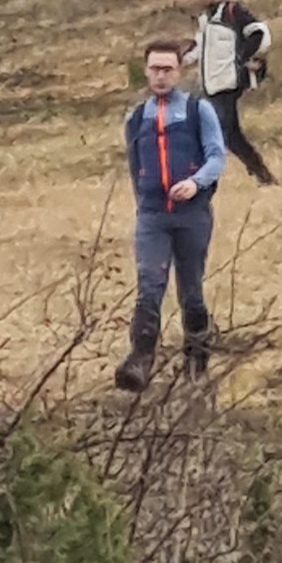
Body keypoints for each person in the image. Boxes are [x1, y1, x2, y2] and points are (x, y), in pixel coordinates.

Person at [115, 38, 226, 391]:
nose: (161, 76)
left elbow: (217, 156)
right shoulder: (136, 118)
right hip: (152, 217)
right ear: (146, 71)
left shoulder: (198, 110)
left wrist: (195, 183)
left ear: (179, 72)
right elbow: (134, 167)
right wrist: (144, 203)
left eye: (167, 69)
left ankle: (197, 363)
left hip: (192, 216)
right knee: (150, 285)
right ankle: (139, 361)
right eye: (155, 69)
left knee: (191, 292)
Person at [186, 0, 276, 185]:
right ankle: (261, 174)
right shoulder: (206, 19)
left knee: (224, 132)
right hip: (210, 84)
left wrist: (241, 58)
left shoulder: (234, 13)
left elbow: (258, 33)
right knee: (229, 134)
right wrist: (182, 60)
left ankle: (258, 173)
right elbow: (201, 47)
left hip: (227, 83)